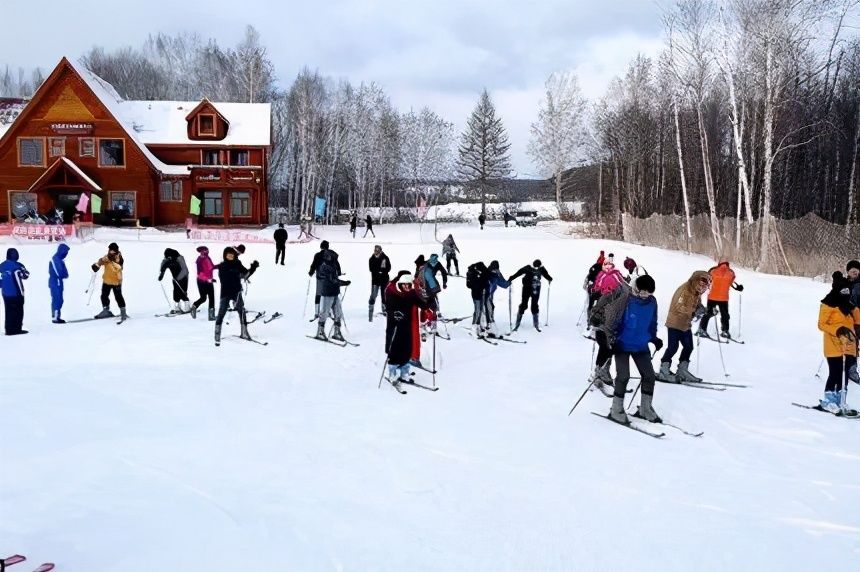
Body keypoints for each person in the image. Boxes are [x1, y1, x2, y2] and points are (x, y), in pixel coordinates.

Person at [595, 275, 663, 424]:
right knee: (623, 376)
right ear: (636, 289)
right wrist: (609, 341)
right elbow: (610, 321)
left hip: (640, 345)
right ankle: (616, 410)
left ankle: (645, 408)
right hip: (622, 345)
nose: (645, 296)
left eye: (649, 293)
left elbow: (652, 321)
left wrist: (653, 337)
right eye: (643, 292)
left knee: (649, 376)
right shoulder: (625, 300)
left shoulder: (652, 302)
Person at [816, 272, 860, 414]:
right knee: (835, 372)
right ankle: (829, 400)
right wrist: (838, 330)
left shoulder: (850, 307)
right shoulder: (828, 304)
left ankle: (841, 400)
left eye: (848, 292)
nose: (847, 295)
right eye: (844, 292)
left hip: (849, 345)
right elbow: (821, 324)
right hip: (833, 344)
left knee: (845, 373)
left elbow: (857, 321)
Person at [657, 271, 711, 383]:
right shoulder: (685, 290)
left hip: (685, 324)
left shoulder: (695, 293)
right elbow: (680, 307)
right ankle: (664, 370)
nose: (702, 288)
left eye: (704, 286)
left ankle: (682, 370)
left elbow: (697, 305)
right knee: (673, 347)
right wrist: (694, 313)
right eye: (700, 285)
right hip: (675, 322)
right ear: (695, 281)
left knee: (689, 346)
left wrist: (705, 310)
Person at [384, 271, 429, 388]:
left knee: (407, 348)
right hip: (394, 325)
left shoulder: (411, 293)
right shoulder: (391, 291)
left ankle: (404, 372)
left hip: (406, 324)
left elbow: (421, 303)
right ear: (400, 283)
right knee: (394, 349)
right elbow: (388, 308)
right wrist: (394, 313)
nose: (407, 287)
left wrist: (427, 302)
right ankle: (392, 373)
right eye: (405, 285)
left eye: (409, 285)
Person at [587, 259, 627, 386]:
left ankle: (604, 370)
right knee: (605, 347)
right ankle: (599, 371)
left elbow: (624, 285)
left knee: (609, 348)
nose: (609, 267)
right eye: (607, 265)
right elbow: (596, 288)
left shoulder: (617, 276)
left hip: (613, 320)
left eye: (611, 265)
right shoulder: (602, 276)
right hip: (602, 321)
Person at [214, 247, 259, 345]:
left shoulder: (237, 264)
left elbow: (245, 274)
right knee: (221, 312)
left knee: (241, 311)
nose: (230, 256)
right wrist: (236, 274)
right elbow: (224, 279)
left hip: (237, 292)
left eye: (232, 255)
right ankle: (217, 334)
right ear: (225, 256)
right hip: (225, 292)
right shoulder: (222, 266)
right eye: (228, 255)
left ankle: (244, 332)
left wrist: (253, 268)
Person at [697, 257, 744, 339]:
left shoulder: (713, 270)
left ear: (719, 263)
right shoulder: (731, 273)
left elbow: (708, 280)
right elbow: (732, 283)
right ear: (727, 264)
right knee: (724, 315)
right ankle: (725, 331)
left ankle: (702, 329)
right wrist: (739, 287)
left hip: (712, 297)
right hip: (723, 298)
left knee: (708, 313)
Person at [314, 246, 350, 341]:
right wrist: (343, 283)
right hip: (327, 293)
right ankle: (320, 332)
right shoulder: (324, 267)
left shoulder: (333, 265)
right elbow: (332, 280)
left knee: (338, 312)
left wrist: (341, 282)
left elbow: (335, 278)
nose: (334, 259)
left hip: (335, 292)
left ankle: (337, 332)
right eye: (333, 258)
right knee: (324, 313)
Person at [509, 259, 553, 332]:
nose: (536, 268)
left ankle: (535, 324)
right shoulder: (529, 268)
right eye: (535, 267)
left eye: (537, 267)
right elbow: (519, 272)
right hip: (528, 288)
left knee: (534, 305)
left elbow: (547, 275)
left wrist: (550, 279)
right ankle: (518, 324)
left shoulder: (541, 269)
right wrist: (512, 277)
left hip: (535, 289)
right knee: (524, 304)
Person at [92, 242, 126, 320]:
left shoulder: (119, 258)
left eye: (112, 251)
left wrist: (110, 261)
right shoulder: (107, 257)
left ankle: (123, 312)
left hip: (116, 281)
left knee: (118, 297)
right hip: (107, 280)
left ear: (116, 251)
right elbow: (101, 262)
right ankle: (106, 310)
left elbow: (119, 267)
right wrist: (98, 263)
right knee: (104, 296)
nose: (110, 252)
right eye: (109, 250)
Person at [0, 248, 29, 335]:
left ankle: (9, 330)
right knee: (18, 311)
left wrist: (3, 284)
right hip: (17, 293)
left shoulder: (2, 265)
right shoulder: (18, 265)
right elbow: (25, 275)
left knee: (8, 312)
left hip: (5, 293)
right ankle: (16, 329)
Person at [309, 241, 339, 320]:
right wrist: (338, 272)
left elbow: (314, 264)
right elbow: (337, 264)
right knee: (328, 295)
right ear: (328, 247)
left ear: (321, 247)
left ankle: (316, 312)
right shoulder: (332, 255)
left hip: (320, 277)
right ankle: (329, 312)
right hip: (330, 278)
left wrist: (311, 272)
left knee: (318, 294)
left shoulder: (318, 255)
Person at [158, 248, 190, 314]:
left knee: (182, 292)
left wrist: (178, 278)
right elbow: (163, 265)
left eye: (169, 257)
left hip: (183, 277)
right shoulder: (167, 259)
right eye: (167, 257)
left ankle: (187, 307)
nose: (168, 258)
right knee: (175, 292)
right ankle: (177, 307)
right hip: (175, 278)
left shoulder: (179, 258)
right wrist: (161, 274)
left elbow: (185, 270)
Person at [483, 260, 510, 337]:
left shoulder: (497, 274)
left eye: (497, 269)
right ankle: (486, 326)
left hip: (490, 295)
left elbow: (503, 284)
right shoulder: (487, 273)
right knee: (487, 309)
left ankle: (489, 324)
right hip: (483, 294)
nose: (496, 270)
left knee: (491, 308)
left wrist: (509, 282)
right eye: (494, 269)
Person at [191, 246, 216, 320]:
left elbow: (211, 267)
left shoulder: (207, 258)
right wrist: (208, 280)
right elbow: (200, 273)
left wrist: (220, 266)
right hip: (203, 281)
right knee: (209, 298)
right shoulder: (200, 260)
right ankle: (211, 316)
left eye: (207, 250)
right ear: (201, 252)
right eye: (205, 251)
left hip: (208, 280)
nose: (206, 252)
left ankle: (194, 306)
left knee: (204, 298)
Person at [466, 261, 490, 337]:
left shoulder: (483, 272)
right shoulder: (472, 273)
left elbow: (486, 279)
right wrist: (478, 283)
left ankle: (478, 325)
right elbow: (469, 285)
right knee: (478, 310)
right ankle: (474, 327)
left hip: (482, 294)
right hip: (476, 294)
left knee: (480, 310)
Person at [48, 243, 70, 324]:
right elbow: (59, 273)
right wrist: (63, 274)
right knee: (57, 299)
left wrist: (64, 274)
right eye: (66, 252)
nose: (66, 254)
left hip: (58, 282)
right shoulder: (55, 259)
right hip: (55, 282)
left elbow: (65, 273)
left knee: (60, 299)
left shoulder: (60, 260)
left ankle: (57, 316)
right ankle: (55, 317)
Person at [368, 245, 390, 321]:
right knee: (373, 295)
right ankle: (371, 309)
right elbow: (371, 268)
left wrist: (382, 271)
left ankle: (384, 310)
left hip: (384, 280)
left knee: (384, 295)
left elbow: (388, 268)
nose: (376, 252)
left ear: (380, 250)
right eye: (375, 250)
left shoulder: (385, 258)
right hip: (375, 280)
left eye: (378, 250)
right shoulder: (371, 258)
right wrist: (378, 271)